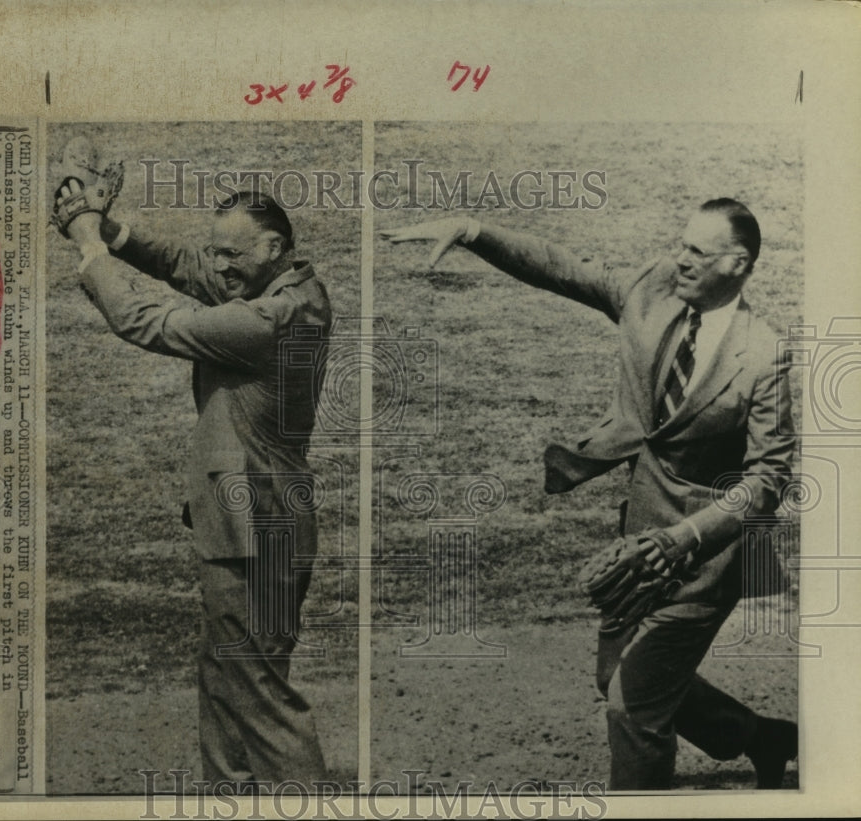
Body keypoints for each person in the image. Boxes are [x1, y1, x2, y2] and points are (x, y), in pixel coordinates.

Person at [381, 199, 799, 790]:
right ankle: (761, 738)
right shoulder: (653, 292)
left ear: (738, 264)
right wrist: (474, 232)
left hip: (708, 557)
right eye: (680, 243)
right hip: (637, 544)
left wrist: (686, 538)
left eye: (697, 253)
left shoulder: (765, 356)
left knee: (633, 707)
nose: (679, 258)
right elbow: (563, 268)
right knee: (616, 679)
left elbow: (766, 483)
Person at [53, 165, 331, 790]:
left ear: (273, 247)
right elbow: (188, 264)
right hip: (264, 521)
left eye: (233, 254)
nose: (221, 267)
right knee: (228, 677)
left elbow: (143, 318)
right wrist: (114, 228)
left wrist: (88, 244)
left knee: (257, 690)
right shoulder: (282, 285)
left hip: (253, 529)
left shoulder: (269, 322)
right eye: (219, 252)